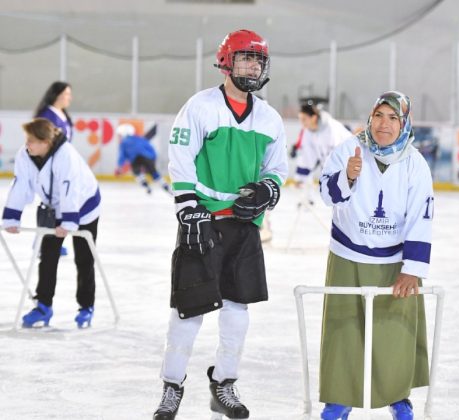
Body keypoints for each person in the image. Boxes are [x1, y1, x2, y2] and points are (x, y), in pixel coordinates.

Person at [152, 29, 288, 420]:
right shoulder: (199, 107)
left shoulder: (269, 118)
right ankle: (171, 387)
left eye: (258, 61)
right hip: (202, 221)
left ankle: (224, 384)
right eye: (245, 58)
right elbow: (180, 158)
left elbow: (276, 169)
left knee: (236, 313)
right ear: (226, 61)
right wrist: (189, 208)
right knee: (188, 313)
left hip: (244, 226)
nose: (253, 66)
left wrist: (267, 190)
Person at [317, 91, 434, 420]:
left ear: (404, 123)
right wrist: (348, 176)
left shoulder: (415, 163)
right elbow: (327, 195)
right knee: (344, 332)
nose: (384, 124)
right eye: (379, 116)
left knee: (393, 334)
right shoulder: (349, 149)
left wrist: (411, 269)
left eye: (393, 118)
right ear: (370, 118)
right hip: (347, 257)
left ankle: (398, 397)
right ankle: (339, 400)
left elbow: (420, 219)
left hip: (393, 263)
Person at [1, 118, 101, 328]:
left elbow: (69, 188)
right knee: (47, 255)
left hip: (84, 204)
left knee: (84, 258)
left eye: (32, 140)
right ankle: (43, 306)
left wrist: (69, 223)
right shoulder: (25, 155)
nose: (27, 144)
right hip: (55, 207)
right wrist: (12, 217)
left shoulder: (66, 155)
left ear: (46, 142)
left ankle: (86, 306)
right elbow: (21, 184)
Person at [35, 81, 74, 257]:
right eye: (66, 94)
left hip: (62, 165)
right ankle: (44, 242)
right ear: (56, 95)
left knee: (59, 203)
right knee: (51, 204)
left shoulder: (63, 114)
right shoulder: (47, 115)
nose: (69, 98)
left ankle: (50, 241)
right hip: (50, 166)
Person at [294, 102, 352, 202]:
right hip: (337, 172)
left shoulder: (331, 128)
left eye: (304, 119)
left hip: (351, 164)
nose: (302, 122)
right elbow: (307, 156)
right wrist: (300, 178)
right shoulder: (307, 132)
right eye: (300, 119)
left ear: (314, 117)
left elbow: (338, 155)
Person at [114, 123, 171, 195]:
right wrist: (152, 159)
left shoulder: (124, 143)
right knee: (154, 173)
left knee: (137, 173)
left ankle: (146, 186)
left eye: (120, 135)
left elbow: (122, 156)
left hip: (135, 159)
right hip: (148, 157)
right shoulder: (140, 138)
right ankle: (167, 188)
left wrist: (119, 167)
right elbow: (151, 149)